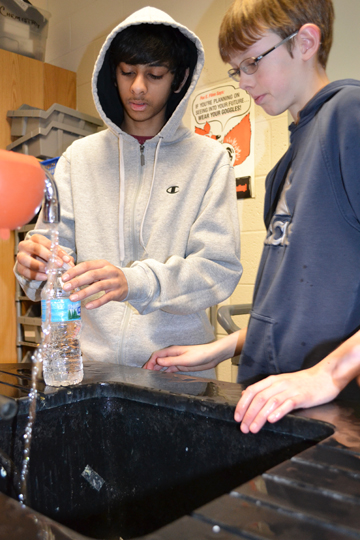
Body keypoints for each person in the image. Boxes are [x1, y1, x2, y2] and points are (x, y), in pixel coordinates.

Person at [144, 0, 360, 419]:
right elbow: (298, 308)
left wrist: (329, 374)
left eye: (252, 63)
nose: (243, 82)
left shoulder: (348, 115)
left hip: (334, 411)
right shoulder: (286, 165)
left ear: (306, 42)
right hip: (275, 400)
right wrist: (221, 347)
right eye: (235, 69)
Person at [14, 6, 242, 377]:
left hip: (175, 369)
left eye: (154, 75)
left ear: (179, 78)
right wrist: (32, 267)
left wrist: (134, 282)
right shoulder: (78, 159)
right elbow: (50, 261)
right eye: (127, 73)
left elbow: (218, 270)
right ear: (112, 72)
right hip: (90, 369)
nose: (137, 87)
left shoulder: (209, 161)